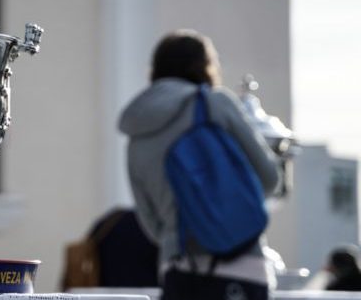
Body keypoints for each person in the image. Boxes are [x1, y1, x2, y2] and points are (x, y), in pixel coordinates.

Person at [118, 29, 281, 300]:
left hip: (178, 270)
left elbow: (151, 223)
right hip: (239, 264)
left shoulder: (136, 133)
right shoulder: (214, 103)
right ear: (204, 65)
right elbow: (269, 177)